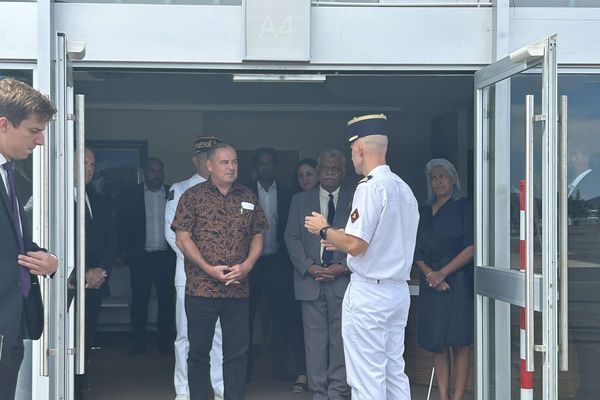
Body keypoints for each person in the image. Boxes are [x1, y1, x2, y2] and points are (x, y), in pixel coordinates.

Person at [305, 114, 419, 400]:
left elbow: (356, 245)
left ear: (359, 149)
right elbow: (379, 238)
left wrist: (324, 231)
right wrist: (339, 238)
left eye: (351, 150)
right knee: (394, 373)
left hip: (371, 294)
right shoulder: (404, 189)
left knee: (367, 379)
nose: (352, 158)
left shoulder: (370, 188)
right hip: (397, 291)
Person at [172, 143, 268, 400]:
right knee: (199, 352)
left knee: (237, 352)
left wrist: (247, 266)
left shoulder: (248, 196)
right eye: (225, 162)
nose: (231, 167)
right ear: (210, 166)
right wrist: (207, 269)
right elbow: (183, 238)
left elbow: (258, 235)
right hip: (201, 289)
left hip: (237, 289)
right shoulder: (192, 197)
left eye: (234, 162)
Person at [0, 78, 58, 400]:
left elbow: (13, 242)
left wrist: (48, 261)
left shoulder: (13, 176)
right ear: (4, 125)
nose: (41, 141)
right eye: (34, 131)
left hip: (12, 321)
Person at [285, 149, 352, 399]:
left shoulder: (354, 199)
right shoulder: (300, 200)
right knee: (314, 342)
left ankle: (338, 391)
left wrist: (343, 265)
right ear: (319, 170)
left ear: (343, 173)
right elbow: (291, 237)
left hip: (342, 281)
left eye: (335, 169)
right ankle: (319, 392)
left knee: (340, 340)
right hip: (309, 280)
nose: (329, 173)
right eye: (325, 168)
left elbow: (361, 239)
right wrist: (309, 266)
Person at [165, 136, 224, 400]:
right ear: (197, 160)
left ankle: (218, 387)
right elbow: (173, 234)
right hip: (190, 276)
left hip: (222, 276)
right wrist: (203, 264)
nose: (210, 163)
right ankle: (184, 391)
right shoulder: (180, 189)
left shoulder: (228, 190)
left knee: (219, 336)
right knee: (187, 335)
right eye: (205, 158)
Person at [413, 158, 474, 400]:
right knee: (437, 343)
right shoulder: (423, 211)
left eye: (443, 176)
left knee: (459, 342)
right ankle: (443, 396)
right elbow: (415, 249)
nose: (438, 181)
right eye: (434, 178)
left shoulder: (465, 206)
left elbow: (471, 247)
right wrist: (430, 274)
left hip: (457, 282)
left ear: (453, 179)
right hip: (431, 284)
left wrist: (443, 273)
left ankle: (457, 397)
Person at [69, 146, 118, 399]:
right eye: (84, 163)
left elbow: (112, 240)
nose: (89, 169)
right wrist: (81, 272)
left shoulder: (98, 200)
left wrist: (101, 271)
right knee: (66, 341)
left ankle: (79, 389)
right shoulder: (55, 199)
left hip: (95, 284)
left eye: (92, 164)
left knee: (86, 340)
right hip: (66, 285)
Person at [246, 147, 296, 381]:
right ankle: (244, 370)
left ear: (275, 166)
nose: (265, 167)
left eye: (269, 163)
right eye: (261, 163)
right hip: (250, 264)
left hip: (278, 262)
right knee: (245, 317)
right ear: (256, 167)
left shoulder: (288, 193)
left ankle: (279, 368)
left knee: (281, 317)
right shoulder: (243, 192)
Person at [117, 157, 176, 355]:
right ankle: (139, 342)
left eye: (159, 171)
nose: (156, 175)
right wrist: (121, 252)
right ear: (144, 172)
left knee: (167, 301)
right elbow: (121, 224)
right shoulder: (130, 194)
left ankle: (164, 342)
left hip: (166, 257)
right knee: (140, 300)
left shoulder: (172, 193)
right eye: (152, 171)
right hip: (140, 257)